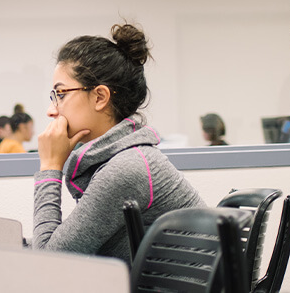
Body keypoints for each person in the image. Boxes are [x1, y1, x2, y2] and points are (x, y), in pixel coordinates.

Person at [32, 23, 206, 262]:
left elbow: (47, 262)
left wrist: (50, 167)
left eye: (60, 94)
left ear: (100, 97)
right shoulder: (119, 160)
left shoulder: (126, 168)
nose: (52, 111)